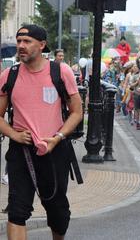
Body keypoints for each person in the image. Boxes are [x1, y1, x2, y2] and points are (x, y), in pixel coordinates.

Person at [0, 25, 83, 239]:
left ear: (42, 45)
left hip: (54, 150)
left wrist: (58, 137)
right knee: (17, 212)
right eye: (19, 41)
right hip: (21, 151)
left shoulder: (59, 71)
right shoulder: (9, 75)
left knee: (57, 212)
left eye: (27, 42)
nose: (21, 46)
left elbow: (77, 112)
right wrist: (14, 134)